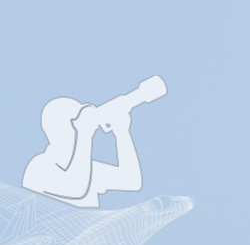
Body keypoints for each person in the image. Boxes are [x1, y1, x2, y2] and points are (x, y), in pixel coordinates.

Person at [21, 76, 167, 208]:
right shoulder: (38, 167)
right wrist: (84, 133)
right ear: (59, 127)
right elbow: (75, 188)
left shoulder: (87, 168)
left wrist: (122, 133)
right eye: (77, 119)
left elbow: (132, 181)